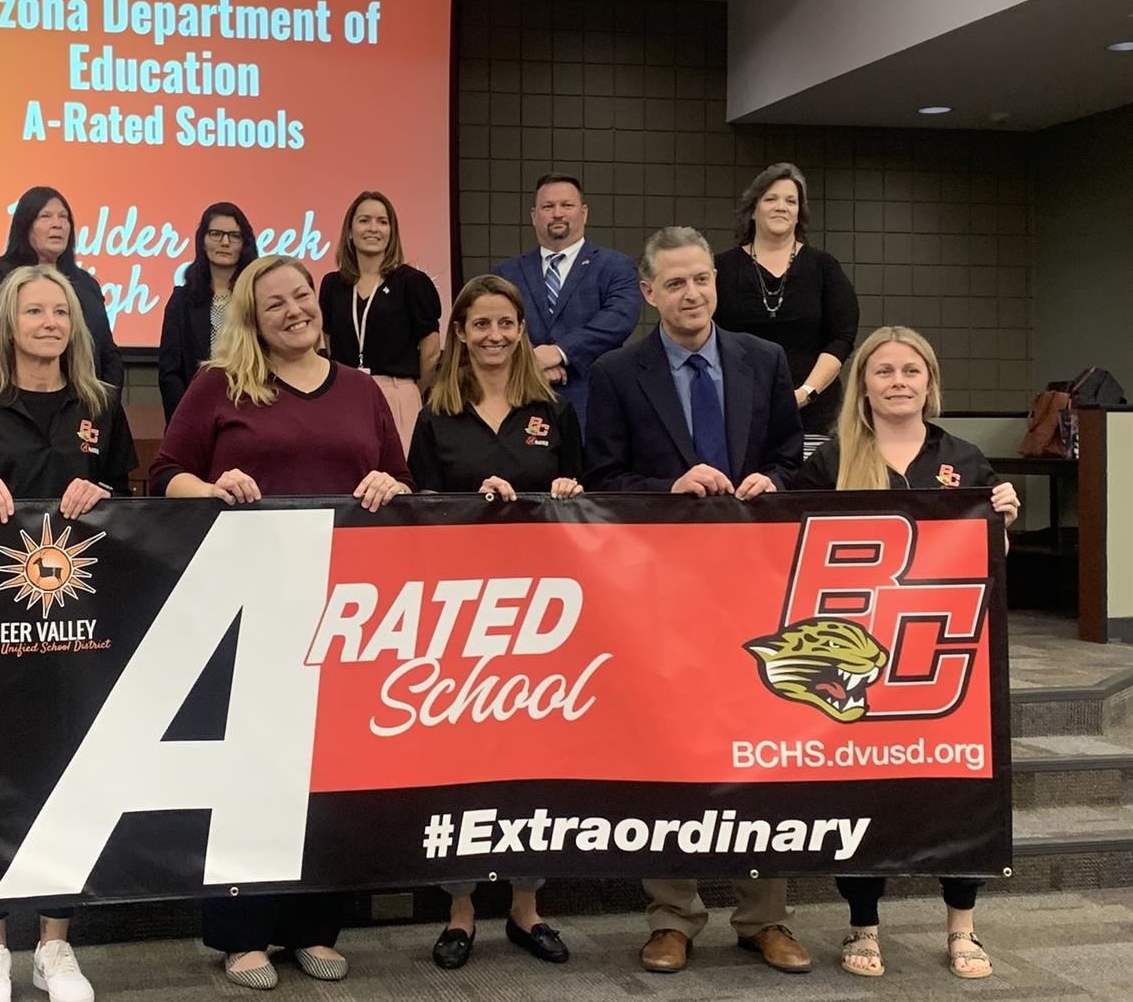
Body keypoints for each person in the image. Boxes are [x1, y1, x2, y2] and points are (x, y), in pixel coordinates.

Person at [149, 254, 411, 990]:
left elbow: (403, 481)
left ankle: (312, 926)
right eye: (275, 305)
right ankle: (241, 932)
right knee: (251, 770)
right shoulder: (221, 385)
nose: (295, 309)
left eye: (302, 296)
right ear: (253, 321)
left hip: (343, 611)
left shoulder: (361, 390)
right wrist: (210, 483)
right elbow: (164, 473)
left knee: (329, 773)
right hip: (246, 606)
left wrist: (392, 483)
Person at [583, 225, 810, 975]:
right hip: (658, 588)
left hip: (752, 581)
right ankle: (672, 915)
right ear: (647, 292)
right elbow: (603, 479)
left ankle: (763, 917)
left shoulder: (764, 358)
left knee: (762, 744)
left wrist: (772, 481)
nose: (692, 294)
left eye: (702, 280)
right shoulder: (618, 371)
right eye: (675, 283)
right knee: (665, 746)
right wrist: (666, 488)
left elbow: (787, 456)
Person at [791, 324, 1018, 981]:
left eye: (910, 370)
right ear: (862, 383)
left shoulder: (967, 458)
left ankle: (963, 926)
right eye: (883, 370)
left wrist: (1000, 520)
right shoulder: (831, 461)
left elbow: (991, 561)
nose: (897, 381)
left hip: (945, 658)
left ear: (930, 381)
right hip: (857, 663)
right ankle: (863, 923)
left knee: (956, 784)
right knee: (863, 786)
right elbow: (785, 548)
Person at [0, 263, 131, 1002]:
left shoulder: (99, 405)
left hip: (81, 620)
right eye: (35, 311)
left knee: (70, 775)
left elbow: (128, 498)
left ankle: (55, 943)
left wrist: (104, 493)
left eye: (61, 311)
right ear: (6, 324)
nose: (50, 322)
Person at [407, 272, 579, 971]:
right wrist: (466, 507)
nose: (495, 336)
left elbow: (588, 500)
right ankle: (460, 911)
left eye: (506, 323)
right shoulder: (436, 413)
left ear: (522, 330)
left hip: (544, 615)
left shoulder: (554, 410)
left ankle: (527, 907)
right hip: (461, 617)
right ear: (459, 333)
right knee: (462, 765)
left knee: (535, 763)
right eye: (480, 324)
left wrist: (566, 491)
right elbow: (417, 508)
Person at [714, 162, 858, 438]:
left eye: (791, 201)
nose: (781, 206)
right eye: (771, 199)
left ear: (798, 213)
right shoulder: (720, 269)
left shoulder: (824, 267)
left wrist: (805, 393)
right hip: (737, 411)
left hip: (815, 414)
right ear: (753, 209)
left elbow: (842, 338)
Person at [493, 172, 640, 429]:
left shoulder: (616, 266)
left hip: (593, 408)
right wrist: (531, 363)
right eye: (548, 206)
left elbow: (618, 319)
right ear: (533, 215)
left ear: (583, 213)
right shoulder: (507, 273)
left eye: (566, 205)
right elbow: (495, 327)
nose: (557, 213)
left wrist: (559, 353)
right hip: (521, 405)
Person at [319, 190, 441, 453]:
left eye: (382, 221)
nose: (373, 228)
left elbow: (431, 352)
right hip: (345, 394)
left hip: (398, 393)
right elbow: (329, 344)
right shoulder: (332, 285)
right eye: (364, 220)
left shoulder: (413, 282)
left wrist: (410, 392)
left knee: (399, 480)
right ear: (350, 231)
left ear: (392, 232)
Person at [0, 186, 124, 391]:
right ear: (25, 225)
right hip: (20, 397)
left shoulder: (86, 283)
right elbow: (1, 339)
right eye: (45, 216)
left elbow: (108, 351)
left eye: (64, 217)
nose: (58, 225)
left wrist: (105, 402)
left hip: (88, 403)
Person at [158, 201, 259, 421]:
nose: (225, 242)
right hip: (195, 415)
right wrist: (186, 418)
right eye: (216, 234)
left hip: (253, 413)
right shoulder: (181, 301)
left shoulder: (258, 298)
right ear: (202, 241)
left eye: (234, 236)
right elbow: (170, 372)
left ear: (244, 244)